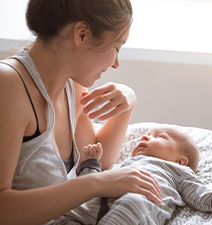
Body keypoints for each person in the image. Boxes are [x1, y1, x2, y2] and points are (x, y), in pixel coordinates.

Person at [0, 1, 162, 225]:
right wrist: (96, 184)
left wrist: (128, 103)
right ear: (82, 34)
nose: (116, 63)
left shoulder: (71, 87)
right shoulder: (8, 84)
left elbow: (100, 161)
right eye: (116, 47)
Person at [55, 124, 212, 225]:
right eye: (146, 135)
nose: (145, 137)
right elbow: (88, 184)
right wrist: (91, 164)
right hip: (96, 205)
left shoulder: (177, 171)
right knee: (72, 209)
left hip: (138, 207)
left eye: (159, 136)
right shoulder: (121, 165)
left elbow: (198, 194)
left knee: (135, 202)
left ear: (180, 160)